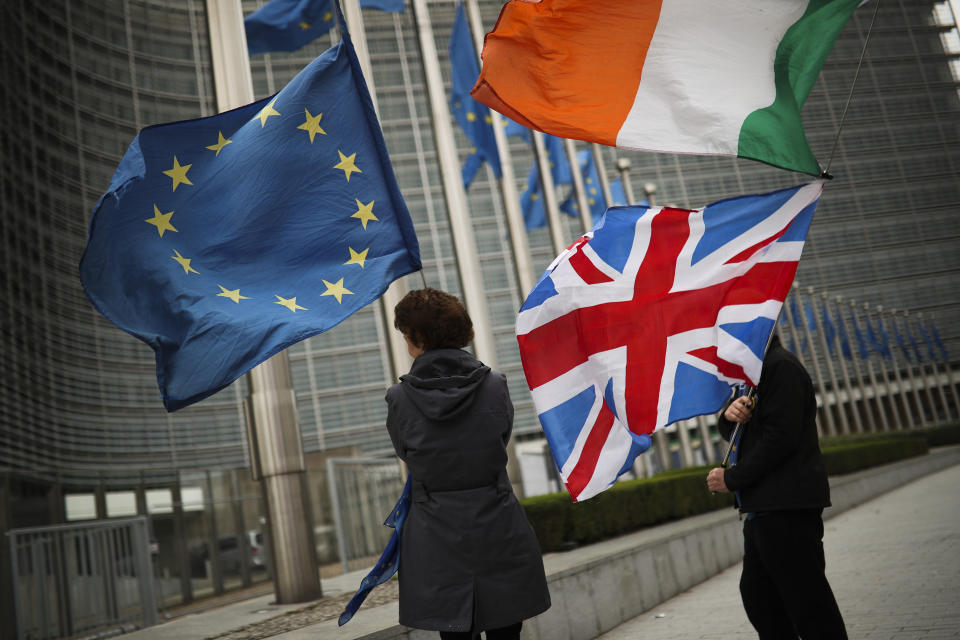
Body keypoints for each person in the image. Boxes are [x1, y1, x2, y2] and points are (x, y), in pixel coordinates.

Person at [386, 288, 551, 640]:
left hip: (436, 532)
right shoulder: (495, 385)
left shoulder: (399, 399)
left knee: (455, 632)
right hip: (499, 525)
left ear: (416, 338)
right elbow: (499, 438)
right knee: (508, 630)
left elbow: (407, 452)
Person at [706, 333, 847, 640]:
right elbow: (736, 428)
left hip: (786, 506)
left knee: (808, 603)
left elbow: (780, 439)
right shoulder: (753, 375)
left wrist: (731, 479)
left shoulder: (780, 368)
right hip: (764, 508)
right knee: (759, 596)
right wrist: (728, 416)